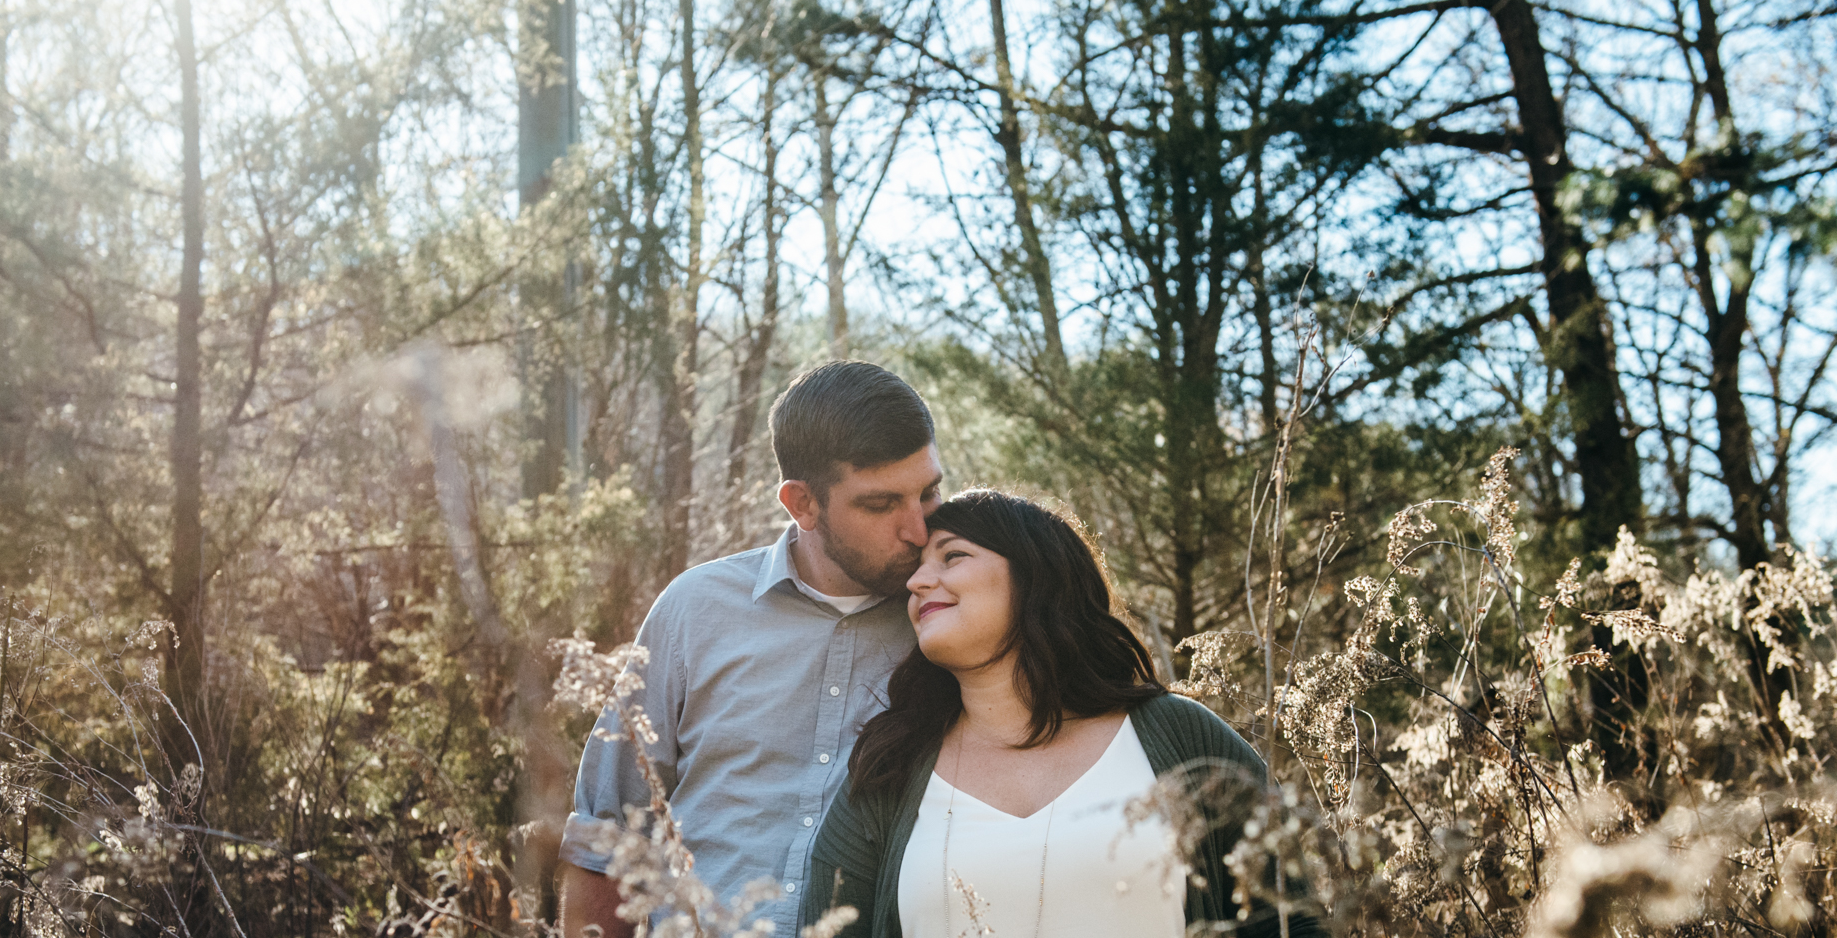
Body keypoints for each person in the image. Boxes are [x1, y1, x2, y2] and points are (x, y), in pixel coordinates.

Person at [800, 489, 1313, 938]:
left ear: (1035, 574)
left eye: (951, 557)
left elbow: (1298, 920)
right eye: (915, 571)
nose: (917, 583)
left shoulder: (1179, 736)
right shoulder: (889, 768)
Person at [560, 360, 944, 938]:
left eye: (930, 492)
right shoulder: (696, 609)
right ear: (802, 504)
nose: (918, 529)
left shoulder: (951, 621)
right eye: (880, 504)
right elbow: (604, 836)